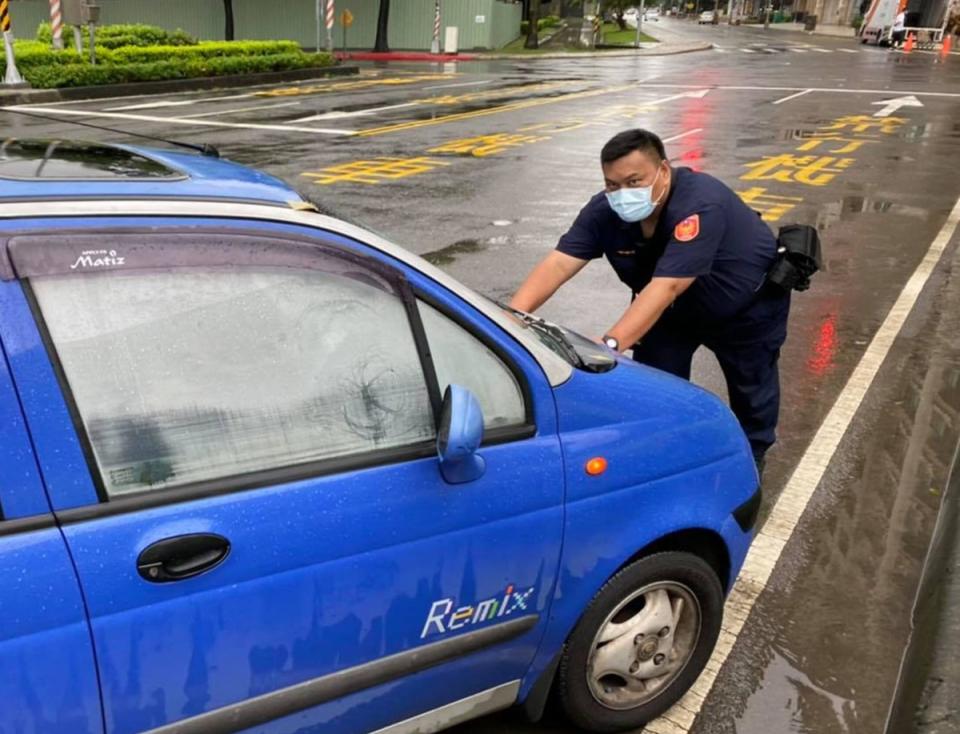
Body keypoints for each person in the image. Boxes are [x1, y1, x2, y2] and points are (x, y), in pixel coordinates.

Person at [510, 129, 791, 474]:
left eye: (633, 181)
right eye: (612, 185)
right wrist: (512, 316)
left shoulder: (699, 204)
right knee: (657, 389)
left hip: (744, 310)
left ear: (664, 170)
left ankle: (751, 458)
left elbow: (668, 285)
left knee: (752, 390)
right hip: (669, 315)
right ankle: (667, 459)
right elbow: (559, 263)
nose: (622, 193)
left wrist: (610, 345)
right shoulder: (604, 212)